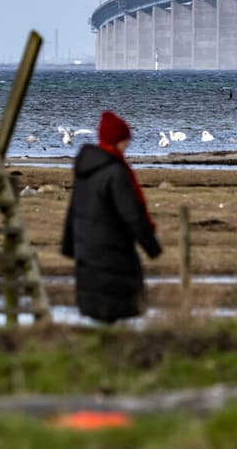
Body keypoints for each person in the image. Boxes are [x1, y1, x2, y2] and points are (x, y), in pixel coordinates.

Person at [62, 110, 162, 323]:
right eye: (125, 140)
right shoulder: (116, 172)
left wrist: (69, 247)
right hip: (111, 249)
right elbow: (132, 213)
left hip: (88, 251)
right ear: (117, 141)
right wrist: (151, 246)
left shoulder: (85, 171)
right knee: (113, 305)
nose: (127, 144)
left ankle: (101, 339)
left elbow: (74, 211)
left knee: (98, 307)